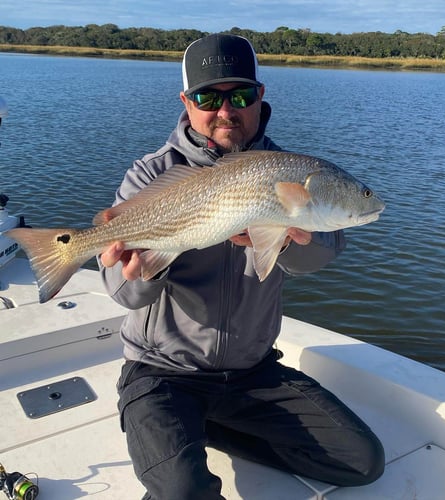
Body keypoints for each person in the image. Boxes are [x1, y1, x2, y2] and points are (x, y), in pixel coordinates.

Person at [99, 33, 384, 499]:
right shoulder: (151, 173)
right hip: (163, 373)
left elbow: (322, 252)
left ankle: (201, 432)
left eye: (241, 95)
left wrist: (294, 239)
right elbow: (123, 292)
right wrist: (141, 271)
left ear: (260, 96)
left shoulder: (288, 168)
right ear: (186, 101)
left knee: (362, 462)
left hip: (253, 372)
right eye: (208, 97)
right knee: (184, 491)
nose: (225, 111)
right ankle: (173, 434)